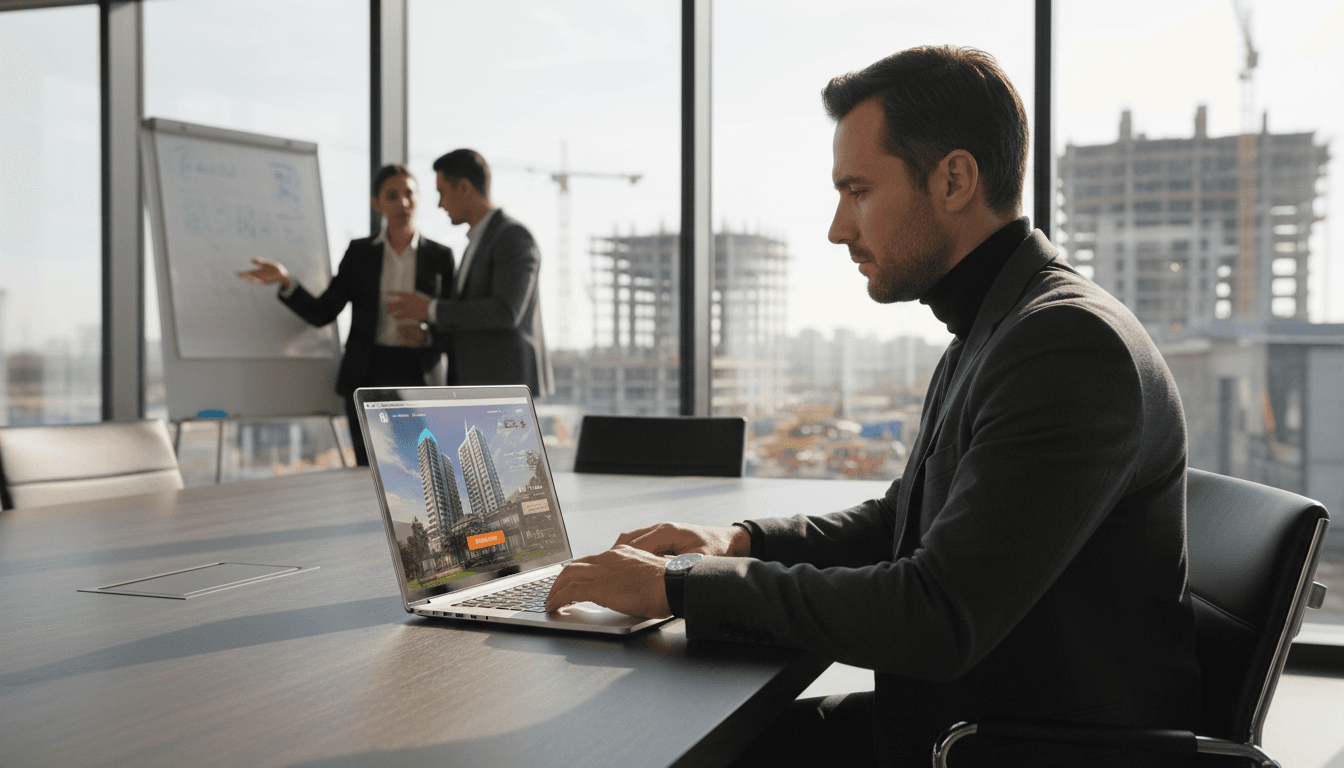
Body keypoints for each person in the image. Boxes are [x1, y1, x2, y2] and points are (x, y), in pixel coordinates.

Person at [544, 46, 1200, 767]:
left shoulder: (1064, 344)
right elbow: (901, 521)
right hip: (972, 720)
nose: (837, 228)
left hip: (1010, 746)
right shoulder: (1000, 325)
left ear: (953, 179)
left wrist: (680, 587)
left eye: (857, 191)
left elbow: (936, 614)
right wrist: (734, 542)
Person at [238, 164, 454, 466]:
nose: (403, 203)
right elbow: (323, 312)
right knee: (368, 472)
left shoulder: (440, 257)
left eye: (409, 194)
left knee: (420, 472)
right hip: (367, 372)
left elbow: (453, 322)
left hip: (417, 372)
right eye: (392, 196)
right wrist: (287, 281)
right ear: (377, 203)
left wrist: (427, 335)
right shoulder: (360, 253)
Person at [385, 149, 553, 396]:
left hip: (504, 389)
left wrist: (430, 309)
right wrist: (428, 337)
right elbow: (472, 322)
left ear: (463, 187)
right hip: (479, 386)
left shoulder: (513, 237)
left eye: (442, 192)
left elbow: (506, 312)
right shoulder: (475, 243)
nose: (440, 204)